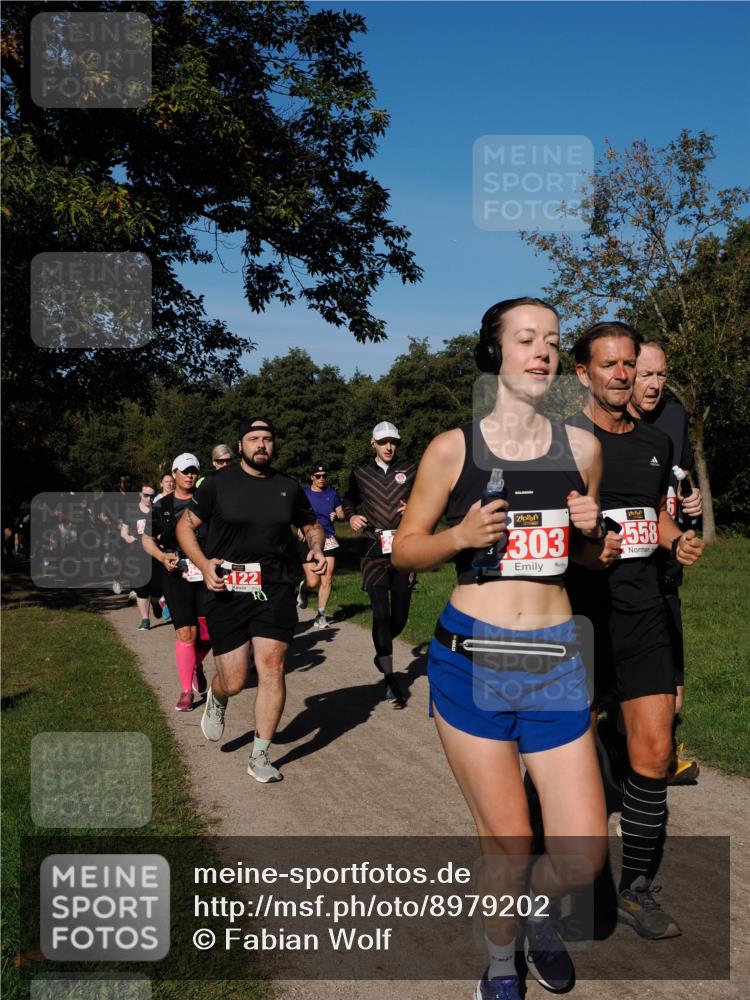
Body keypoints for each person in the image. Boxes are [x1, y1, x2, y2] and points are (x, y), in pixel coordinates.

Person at [393, 297, 609, 1000]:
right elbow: (403, 550)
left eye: (551, 340)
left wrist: (589, 531)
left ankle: (535, 913)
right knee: (510, 846)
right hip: (472, 660)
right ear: (495, 354)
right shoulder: (454, 448)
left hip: (554, 662)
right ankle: (498, 958)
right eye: (526, 340)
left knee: (580, 856)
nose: (542, 352)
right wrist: (457, 538)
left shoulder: (583, 449)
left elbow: (595, 559)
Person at [566, 321, 704, 941]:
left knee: (652, 753)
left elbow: (651, 514)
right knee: (563, 760)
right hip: (577, 618)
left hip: (645, 611)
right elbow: (540, 531)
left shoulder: (654, 442)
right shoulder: (563, 444)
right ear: (583, 374)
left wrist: (681, 540)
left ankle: (636, 890)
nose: (622, 375)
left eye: (630, 364)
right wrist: (588, 547)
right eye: (610, 365)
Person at [176, 418, 326, 784]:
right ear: (241, 445)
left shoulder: (288, 487)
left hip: (274, 586)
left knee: (273, 666)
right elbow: (185, 527)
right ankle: (217, 694)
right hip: (227, 587)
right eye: (254, 439)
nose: (262, 444)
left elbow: (311, 526)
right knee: (237, 678)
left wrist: (317, 547)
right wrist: (202, 563)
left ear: (274, 445)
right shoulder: (216, 485)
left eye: (268, 439)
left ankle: (260, 754)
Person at [628, 338, 703, 783]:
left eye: (662, 375)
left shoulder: (674, 416)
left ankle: (661, 750)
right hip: (625, 567)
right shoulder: (612, 424)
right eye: (646, 375)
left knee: (672, 687)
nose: (655, 385)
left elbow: (680, 477)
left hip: (667, 563)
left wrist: (689, 500)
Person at [342, 422, 417, 707]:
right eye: (383, 442)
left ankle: (380, 648)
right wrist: (350, 516)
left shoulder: (410, 469)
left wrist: (415, 506)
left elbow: (428, 495)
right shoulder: (360, 473)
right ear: (372, 443)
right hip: (373, 551)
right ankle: (389, 676)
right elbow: (349, 499)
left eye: (393, 442)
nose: (389, 447)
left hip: (404, 549)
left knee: (398, 618)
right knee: (380, 613)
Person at [142, 453, 212, 711]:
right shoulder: (162, 506)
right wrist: (162, 556)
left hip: (204, 570)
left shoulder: (207, 502)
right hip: (175, 572)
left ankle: (195, 664)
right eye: (185, 471)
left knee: (208, 632)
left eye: (194, 470)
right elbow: (147, 539)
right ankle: (186, 691)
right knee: (186, 631)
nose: (190, 475)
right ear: (174, 473)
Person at [296, 464, 345, 629]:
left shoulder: (332, 493)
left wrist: (336, 515)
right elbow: (295, 513)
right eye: (318, 476)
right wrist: (300, 527)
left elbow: (341, 513)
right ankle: (304, 589)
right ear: (312, 477)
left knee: (328, 577)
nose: (322, 478)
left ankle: (321, 615)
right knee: (313, 581)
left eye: (324, 475)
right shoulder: (304, 493)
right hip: (308, 538)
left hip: (328, 537)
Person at [120, 482, 160, 629]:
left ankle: (156, 603)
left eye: (152, 496)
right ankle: (145, 619)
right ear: (140, 494)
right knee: (141, 588)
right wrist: (127, 537)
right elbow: (124, 530)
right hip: (136, 554)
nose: (149, 498)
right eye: (146, 495)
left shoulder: (158, 511)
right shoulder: (131, 511)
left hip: (155, 554)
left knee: (156, 589)